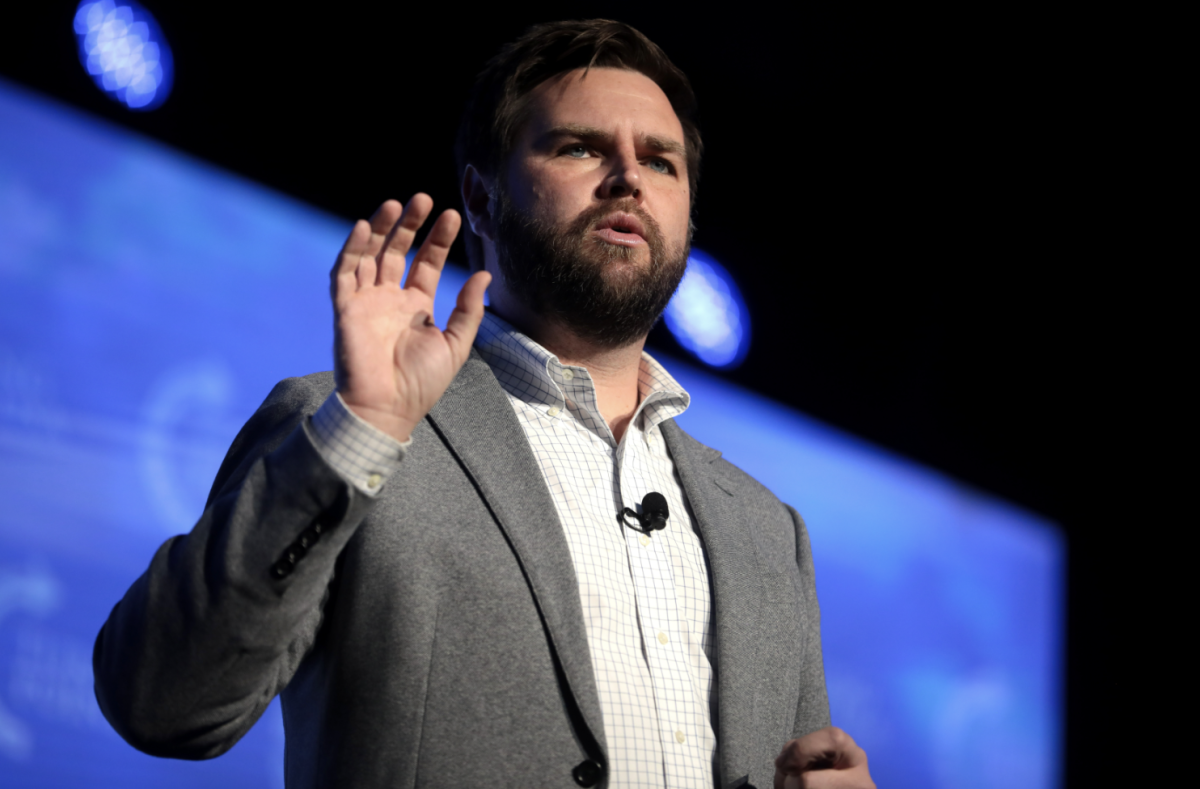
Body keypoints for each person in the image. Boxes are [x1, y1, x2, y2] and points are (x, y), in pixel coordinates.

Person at [94, 19, 876, 789]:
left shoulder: (769, 532)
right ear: (484, 196)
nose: (630, 177)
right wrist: (358, 433)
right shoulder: (346, 429)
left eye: (661, 162)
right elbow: (163, 703)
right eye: (580, 147)